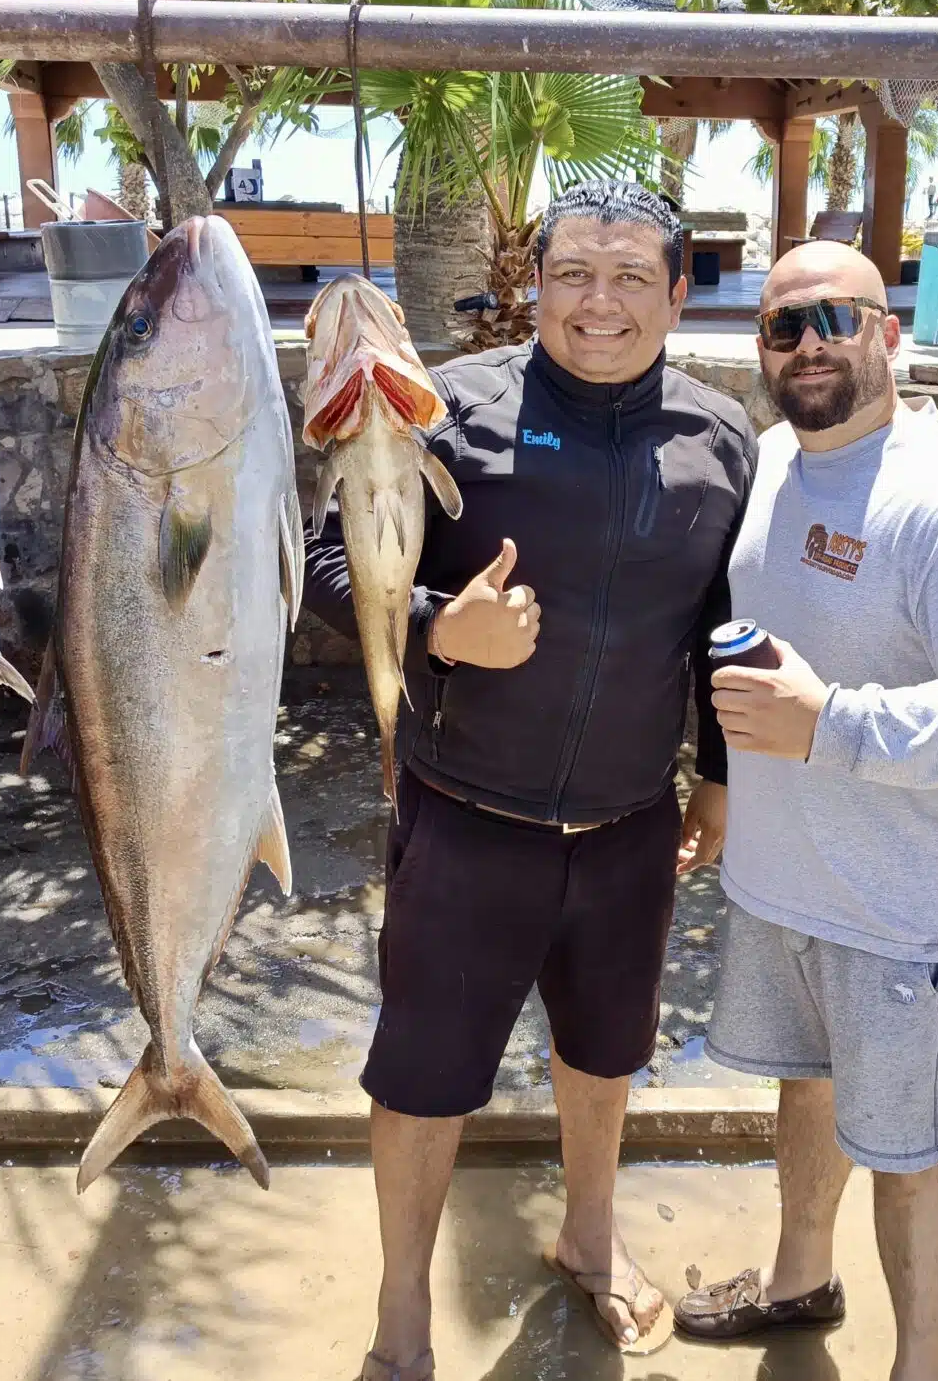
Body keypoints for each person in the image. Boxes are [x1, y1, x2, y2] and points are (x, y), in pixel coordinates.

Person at [303, 180, 755, 1374]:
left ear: (677, 293)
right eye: (572, 274)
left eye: (630, 277)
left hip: (627, 826)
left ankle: (590, 1239)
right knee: (422, 1071)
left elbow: (723, 627)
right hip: (466, 818)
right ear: (536, 282)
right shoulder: (445, 406)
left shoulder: (720, 437)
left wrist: (716, 777)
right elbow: (324, 557)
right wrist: (440, 626)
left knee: (604, 1050)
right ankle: (403, 1306)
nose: (598, 302)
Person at [673, 242, 938, 1380]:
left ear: (887, 333)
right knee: (804, 1088)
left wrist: (832, 724)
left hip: (900, 914)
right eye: (782, 325)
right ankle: (799, 1279)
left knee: (910, 1152)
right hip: (780, 886)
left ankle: (919, 1365)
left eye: (835, 318)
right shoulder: (767, 464)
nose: (808, 344)